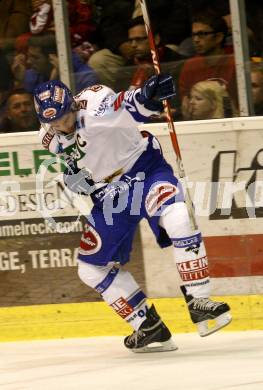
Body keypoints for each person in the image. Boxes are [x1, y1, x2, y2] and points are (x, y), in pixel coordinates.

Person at [33, 74, 231, 352]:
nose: (59, 125)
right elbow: (73, 164)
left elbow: (128, 103)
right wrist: (73, 179)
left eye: (64, 117)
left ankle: (199, 301)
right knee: (89, 268)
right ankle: (147, 327)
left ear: (73, 104)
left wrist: (148, 94)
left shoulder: (95, 102)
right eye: (52, 121)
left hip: (145, 170)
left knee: (178, 217)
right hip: (111, 195)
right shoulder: (48, 136)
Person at [179, 12, 238, 113]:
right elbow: (186, 106)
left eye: (202, 34)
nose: (196, 40)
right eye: (194, 35)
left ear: (219, 37)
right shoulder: (190, 66)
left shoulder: (235, 63)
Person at [11, 33, 99, 94]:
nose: (29, 62)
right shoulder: (34, 73)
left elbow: (72, 111)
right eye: (28, 56)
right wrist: (22, 81)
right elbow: (34, 111)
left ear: (53, 59)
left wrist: (55, 83)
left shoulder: (85, 77)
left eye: (35, 57)